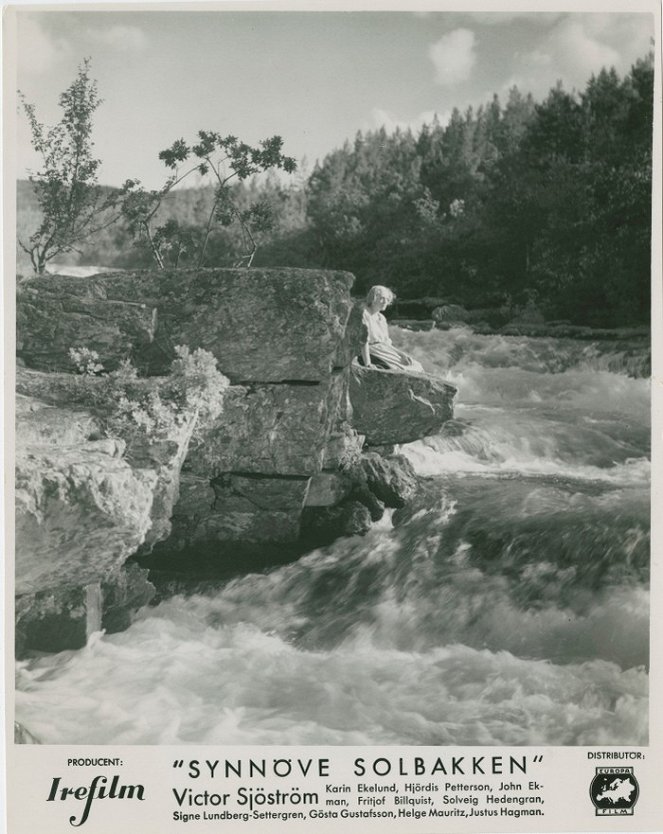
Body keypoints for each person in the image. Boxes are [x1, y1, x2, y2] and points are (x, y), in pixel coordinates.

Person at [359, 285, 424, 372]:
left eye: (387, 299)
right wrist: (368, 364)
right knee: (399, 370)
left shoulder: (381, 318)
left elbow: (386, 343)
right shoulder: (363, 314)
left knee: (416, 365)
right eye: (382, 298)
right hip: (372, 351)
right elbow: (363, 342)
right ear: (373, 298)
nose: (385, 302)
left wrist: (401, 354)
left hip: (384, 350)